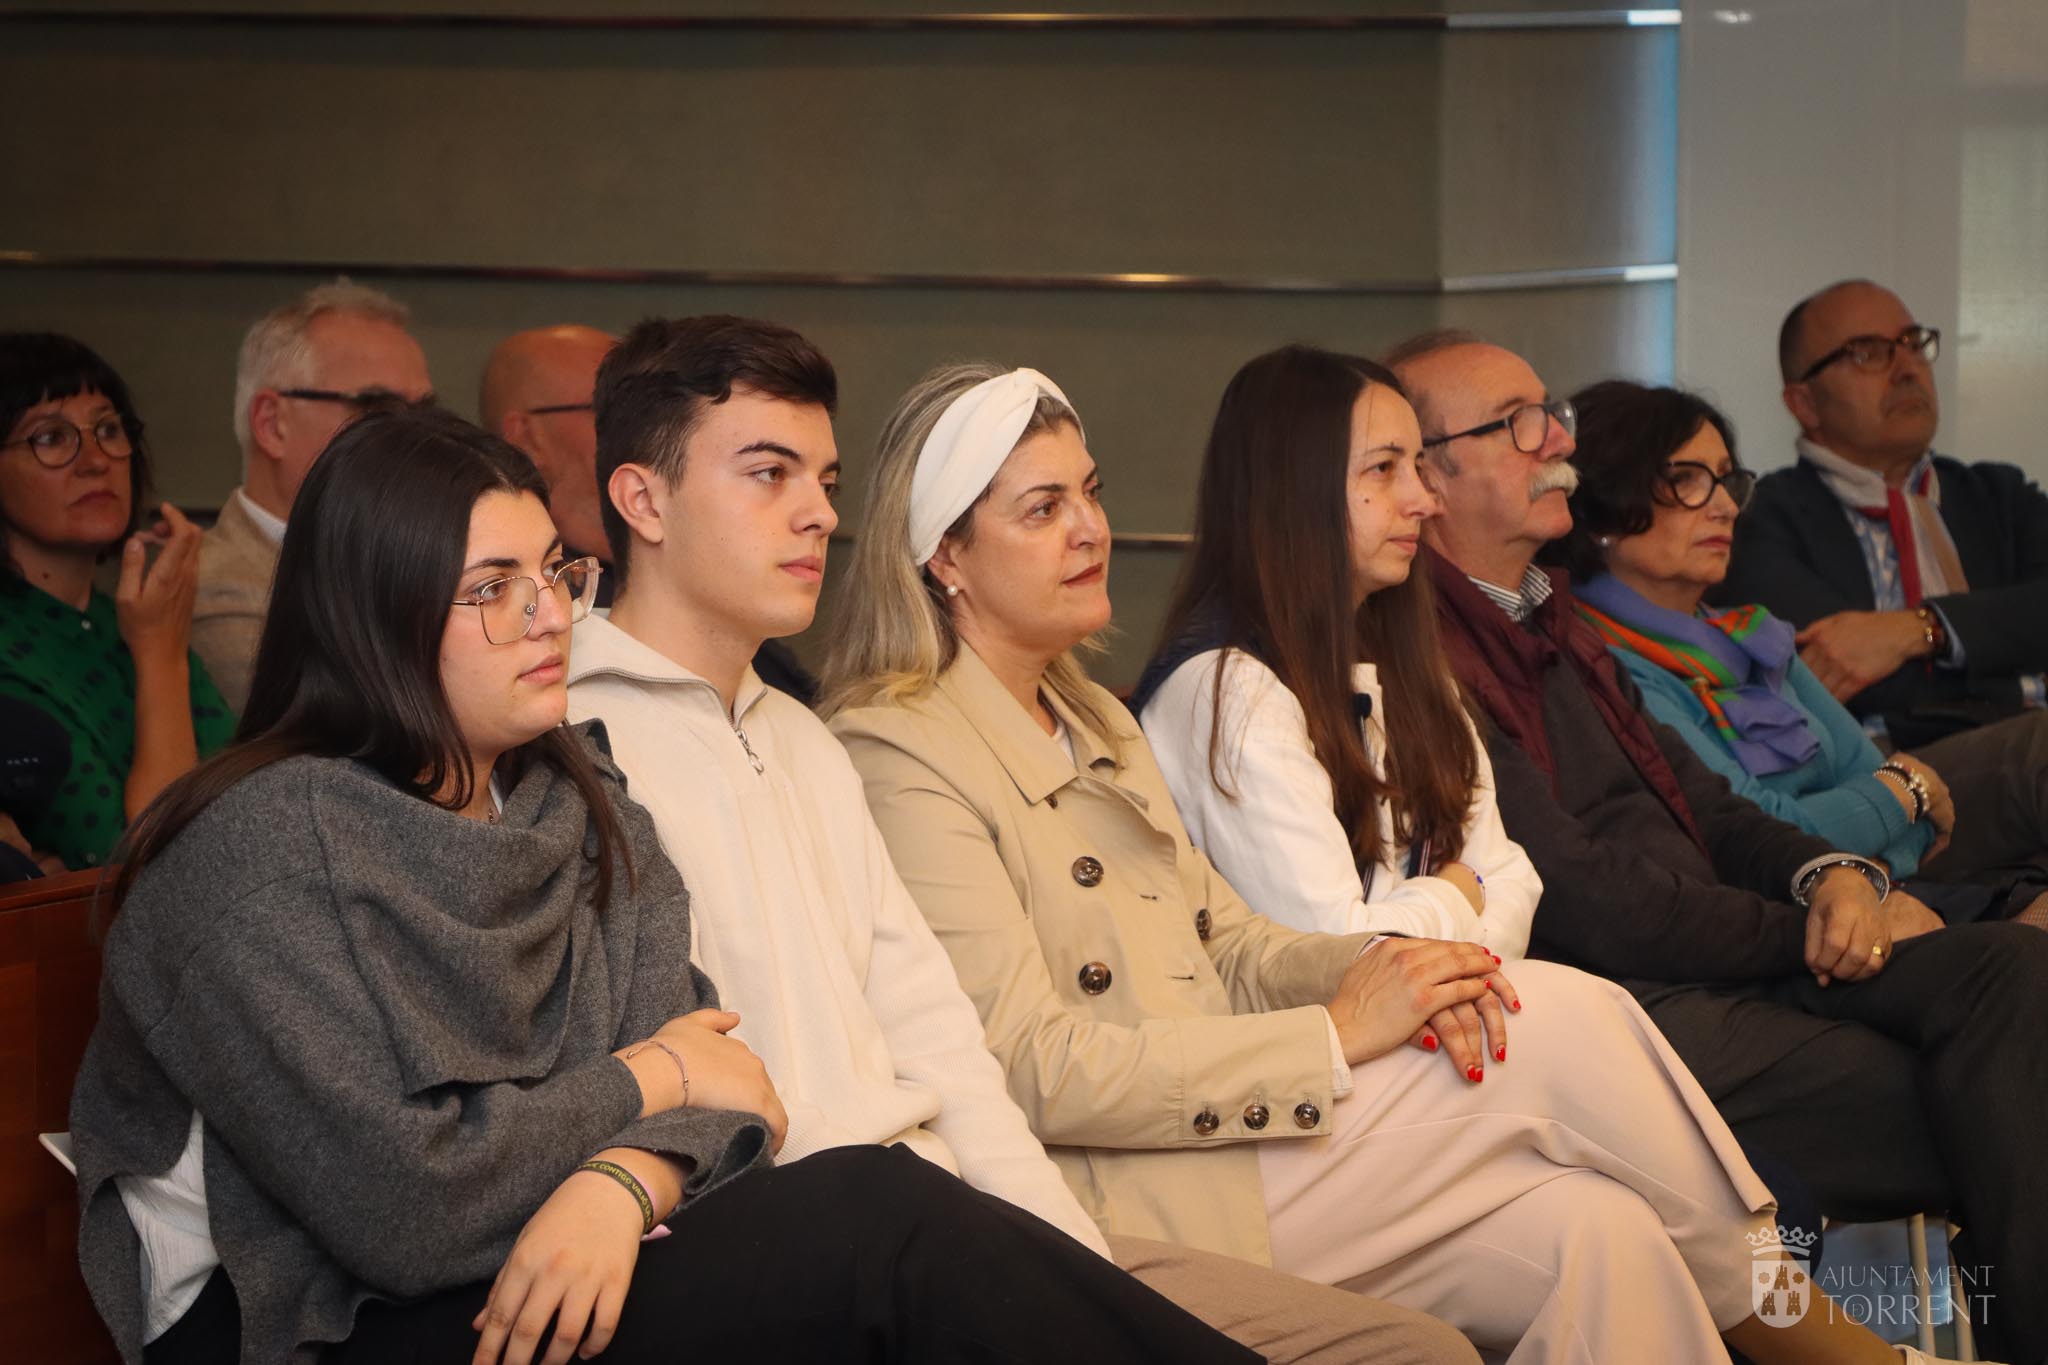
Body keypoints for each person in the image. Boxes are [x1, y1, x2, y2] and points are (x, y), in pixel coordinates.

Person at [68, 404, 1262, 1365]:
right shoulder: (253, 852)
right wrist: (649, 1080)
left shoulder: (574, 794)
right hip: (324, 1322)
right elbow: (401, 1205)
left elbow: (733, 1094)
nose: (547, 617)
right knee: (872, 1223)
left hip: (567, 1258)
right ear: (372, 610)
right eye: (491, 588)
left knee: (886, 1225)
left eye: (553, 573)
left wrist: (619, 1179)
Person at [820, 359, 1959, 1365]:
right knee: (1562, 1021)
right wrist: (1336, 1028)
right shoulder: (900, 749)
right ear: (945, 556)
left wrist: (1396, 973)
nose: (1090, 529)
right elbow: (1029, 1065)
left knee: (1598, 1232)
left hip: (1239, 1120)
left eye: (1091, 492)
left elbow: (1233, 941)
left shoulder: (1091, 716)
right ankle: (1832, 1348)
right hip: (1135, 1178)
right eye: (1043, 508)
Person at [565, 315, 1479, 1365]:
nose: (819, 512)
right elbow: (672, 1089)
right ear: (643, 501)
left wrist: (1064, 1266)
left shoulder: (804, 739)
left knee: (1430, 1349)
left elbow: (944, 1049)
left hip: (956, 1211)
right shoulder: (576, 741)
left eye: (824, 478)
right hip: (825, 1247)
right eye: (770, 474)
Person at [1388, 329, 2048, 1364]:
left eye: (1550, 414)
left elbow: (1709, 805)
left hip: (1725, 953)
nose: (1555, 440)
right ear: (1427, 477)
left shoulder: (1554, 618)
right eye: (1516, 424)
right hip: (1624, 1005)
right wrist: (1804, 926)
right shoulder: (1424, 651)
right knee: (2000, 1087)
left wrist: (1828, 878)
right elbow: (1579, 891)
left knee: (2011, 975)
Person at [1554, 378, 2048, 916]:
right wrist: (1905, 793)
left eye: (1726, 480)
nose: (1724, 507)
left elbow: (1904, 817)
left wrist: (1869, 859)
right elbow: (1760, 833)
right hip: (1768, 920)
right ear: (1603, 509)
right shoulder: (1601, 661)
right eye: (1686, 480)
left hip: (1859, 897)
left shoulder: (1751, 633)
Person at [1132, 346, 1539, 959]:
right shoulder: (1224, 686)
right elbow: (1336, 951)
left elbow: (1514, 877)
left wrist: (1451, 915)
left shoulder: (1405, 658)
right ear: (1294, 490)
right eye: (1384, 468)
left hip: (1443, 999)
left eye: (1417, 466)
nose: (1423, 500)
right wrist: (1459, 891)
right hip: (1307, 1020)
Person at [1719, 279, 2048, 748]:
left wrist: (1923, 629)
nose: (1907, 368)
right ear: (1805, 404)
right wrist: (2018, 679)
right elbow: (1843, 674)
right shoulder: (1759, 519)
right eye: (1867, 353)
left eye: (1913, 343)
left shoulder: (2000, 496)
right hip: (1880, 768)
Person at [482, 322, 815, 701]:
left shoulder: (786, 704)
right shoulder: (555, 682)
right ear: (526, 436)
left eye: (829, 486)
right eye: (600, 408)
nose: (822, 515)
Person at [0, 332, 234, 871]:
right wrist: (160, 657)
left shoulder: (127, 620)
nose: (95, 461)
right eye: (51, 438)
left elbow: (252, 812)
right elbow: (149, 867)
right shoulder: (146, 631)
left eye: (108, 429)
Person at [195, 278, 434, 712]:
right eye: (378, 408)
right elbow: (331, 739)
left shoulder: (426, 560)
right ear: (272, 425)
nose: (415, 435)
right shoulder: (216, 591)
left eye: (424, 411)